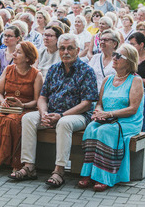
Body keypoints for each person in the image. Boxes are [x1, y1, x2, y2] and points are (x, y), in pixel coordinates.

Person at [9, 34, 98, 188]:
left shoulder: (86, 71)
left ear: (77, 50)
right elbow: (42, 97)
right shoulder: (54, 69)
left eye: (70, 48)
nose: (65, 52)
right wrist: (43, 114)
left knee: (63, 123)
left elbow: (86, 103)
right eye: (62, 48)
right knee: (28, 118)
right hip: (52, 112)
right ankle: (29, 166)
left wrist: (61, 115)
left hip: (78, 116)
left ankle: (59, 170)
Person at [78, 44, 144, 192]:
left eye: (119, 56)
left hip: (127, 121)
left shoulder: (135, 80)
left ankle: (104, 176)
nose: (114, 58)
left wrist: (109, 114)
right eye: (115, 54)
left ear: (129, 61)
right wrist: (98, 112)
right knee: (91, 128)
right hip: (107, 118)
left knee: (105, 131)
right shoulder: (107, 79)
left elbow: (133, 108)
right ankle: (88, 173)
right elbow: (100, 104)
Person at [0, 42, 43, 173]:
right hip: (6, 105)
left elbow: (37, 101)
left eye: (18, 52)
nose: (14, 54)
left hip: (25, 108)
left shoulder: (36, 75)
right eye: (15, 51)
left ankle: (15, 162)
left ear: (27, 58)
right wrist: (3, 102)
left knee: (11, 122)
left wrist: (22, 105)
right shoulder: (8, 70)